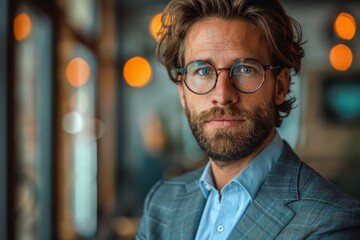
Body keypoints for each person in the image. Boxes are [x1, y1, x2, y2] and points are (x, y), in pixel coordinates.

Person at [136, 0, 360, 239]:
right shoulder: (162, 203)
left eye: (245, 69)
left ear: (280, 86)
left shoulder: (331, 220)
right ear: (182, 92)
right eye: (202, 70)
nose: (222, 96)